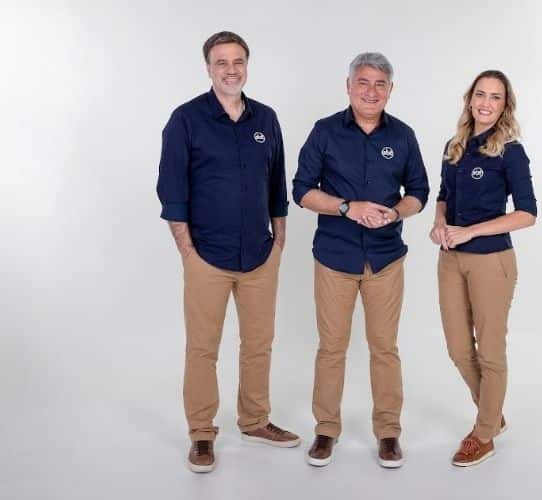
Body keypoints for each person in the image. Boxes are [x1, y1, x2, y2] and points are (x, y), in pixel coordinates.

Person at [156, 31, 300, 474]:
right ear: (208, 67)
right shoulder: (185, 120)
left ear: (247, 66)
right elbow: (172, 192)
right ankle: (201, 433)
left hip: (259, 255)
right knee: (203, 348)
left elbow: (277, 185)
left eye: (238, 61)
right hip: (207, 258)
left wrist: (278, 241)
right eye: (222, 62)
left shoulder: (266, 119)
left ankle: (255, 420)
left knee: (258, 344)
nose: (231, 69)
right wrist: (187, 251)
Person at [292, 52, 429, 468]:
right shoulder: (325, 131)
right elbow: (301, 190)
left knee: (384, 347)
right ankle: (326, 430)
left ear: (390, 90)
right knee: (332, 347)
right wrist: (347, 207)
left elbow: (419, 192)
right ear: (348, 85)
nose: (371, 91)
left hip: (386, 259)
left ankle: (388, 432)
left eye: (380, 84)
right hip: (335, 257)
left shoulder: (403, 135)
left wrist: (396, 212)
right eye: (364, 82)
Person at [430, 70, 537, 467]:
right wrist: (440, 224)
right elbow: (443, 196)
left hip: (492, 261)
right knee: (459, 349)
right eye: (480, 94)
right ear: (469, 98)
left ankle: (484, 433)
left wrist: (469, 231)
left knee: (490, 352)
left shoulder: (510, 150)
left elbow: (527, 214)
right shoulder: (454, 146)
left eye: (495, 97)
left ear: (504, 105)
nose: (486, 103)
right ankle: (493, 414)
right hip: (450, 259)